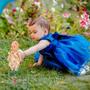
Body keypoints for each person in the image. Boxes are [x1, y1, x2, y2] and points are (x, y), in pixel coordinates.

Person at [18, 16, 90, 76]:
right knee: (47, 61)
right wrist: (39, 63)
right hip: (52, 53)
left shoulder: (44, 42)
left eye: (34, 32)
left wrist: (24, 53)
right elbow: (41, 52)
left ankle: (81, 69)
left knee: (66, 62)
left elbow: (35, 48)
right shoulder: (42, 40)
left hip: (59, 53)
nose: (32, 35)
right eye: (30, 32)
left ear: (45, 32)